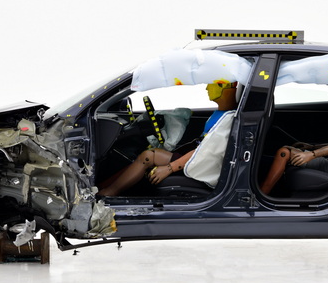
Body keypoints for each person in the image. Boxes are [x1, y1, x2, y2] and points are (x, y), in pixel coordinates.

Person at [98, 81, 238, 197]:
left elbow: (204, 151)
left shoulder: (227, 119)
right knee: (146, 155)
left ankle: (109, 193)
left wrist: (169, 168)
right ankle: (103, 187)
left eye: (214, 84)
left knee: (148, 156)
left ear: (231, 87)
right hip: (198, 159)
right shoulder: (221, 114)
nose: (207, 88)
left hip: (200, 164)